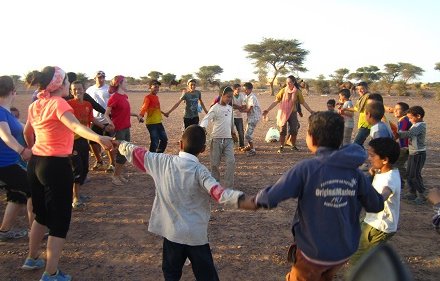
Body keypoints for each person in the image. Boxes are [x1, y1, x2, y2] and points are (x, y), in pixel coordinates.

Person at [252, 111, 384, 281]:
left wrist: (253, 199)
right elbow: (376, 205)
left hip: (313, 254)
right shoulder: (356, 173)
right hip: (343, 251)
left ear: (312, 139)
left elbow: (270, 198)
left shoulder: (307, 168)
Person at [114, 125, 254, 280]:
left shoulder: (161, 162)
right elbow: (219, 194)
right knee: (207, 276)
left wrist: (118, 143)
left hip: (172, 234)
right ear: (203, 149)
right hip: (195, 237)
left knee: (171, 274)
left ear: (180, 144)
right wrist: (248, 201)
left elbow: (136, 152)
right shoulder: (201, 172)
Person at [22, 66, 113, 281]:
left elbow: (28, 132)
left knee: (41, 215)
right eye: (65, 82)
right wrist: (99, 138)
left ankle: (32, 258)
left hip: (35, 163)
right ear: (59, 85)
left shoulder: (36, 104)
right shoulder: (59, 103)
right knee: (60, 221)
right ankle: (51, 273)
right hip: (55, 166)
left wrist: (32, 149)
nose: (67, 85)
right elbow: (75, 127)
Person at [350, 137, 401, 266]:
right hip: (375, 221)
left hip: (378, 225)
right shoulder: (389, 171)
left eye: (372, 156)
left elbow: (384, 194)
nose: (369, 158)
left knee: (357, 256)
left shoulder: (389, 181)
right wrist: (374, 174)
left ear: (385, 160)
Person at [0, 76, 33, 242]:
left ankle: (4, 231)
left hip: (8, 164)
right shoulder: (0, 112)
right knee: (34, 189)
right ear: (13, 91)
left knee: (17, 196)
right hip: (4, 165)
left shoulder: (7, 113)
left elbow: (25, 128)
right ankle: (36, 231)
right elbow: (5, 135)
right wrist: (22, 150)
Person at [67, 80, 107, 209]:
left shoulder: (88, 104)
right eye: (75, 89)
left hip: (84, 140)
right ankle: (75, 199)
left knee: (85, 168)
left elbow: (92, 120)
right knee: (77, 169)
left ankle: (77, 193)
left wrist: (105, 127)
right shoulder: (68, 105)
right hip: (72, 142)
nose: (78, 91)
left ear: (84, 90)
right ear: (71, 91)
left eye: (80, 89)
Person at [104, 75, 142, 186]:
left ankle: (118, 174)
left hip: (126, 128)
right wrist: (111, 123)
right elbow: (106, 114)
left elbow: (123, 112)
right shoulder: (114, 97)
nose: (127, 83)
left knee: (125, 152)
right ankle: (115, 176)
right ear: (119, 83)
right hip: (119, 129)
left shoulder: (124, 96)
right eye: (125, 82)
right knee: (121, 153)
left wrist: (136, 115)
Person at [262, 75, 314, 153]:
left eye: (290, 82)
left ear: (293, 82)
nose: (288, 84)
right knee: (282, 131)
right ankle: (282, 146)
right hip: (283, 113)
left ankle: (293, 146)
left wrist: (310, 111)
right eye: (287, 82)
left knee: (294, 130)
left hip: (293, 113)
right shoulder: (283, 91)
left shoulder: (297, 92)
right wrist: (268, 110)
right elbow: (276, 101)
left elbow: (303, 102)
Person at [200, 86, 235, 188]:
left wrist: (233, 133)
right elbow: (206, 119)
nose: (229, 99)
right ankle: (215, 185)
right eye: (228, 96)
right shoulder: (215, 108)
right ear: (221, 95)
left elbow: (231, 123)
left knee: (231, 162)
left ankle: (229, 186)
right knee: (215, 164)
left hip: (228, 140)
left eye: (231, 97)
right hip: (216, 140)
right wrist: (203, 128)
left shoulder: (230, 108)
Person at [86, 70, 115, 172]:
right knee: (93, 142)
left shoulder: (109, 90)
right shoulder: (89, 90)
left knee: (109, 142)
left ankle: (112, 163)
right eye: (99, 77)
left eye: (103, 77)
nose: (101, 79)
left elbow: (114, 103)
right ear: (95, 78)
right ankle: (99, 161)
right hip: (95, 120)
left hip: (107, 119)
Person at [397, 106, 426, 204]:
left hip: (418, 154)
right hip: (413, 153)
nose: (409, 120)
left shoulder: (420, 125)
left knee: (415, 175)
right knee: (410, 174)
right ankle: (412, 192)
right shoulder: (415, 124)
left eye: (410, 118)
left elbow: (409, 134)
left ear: (418, 116)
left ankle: (422, 195)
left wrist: (397, 133)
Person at [139, 80, 168, 153]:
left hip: (158, 122)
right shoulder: (148, 97)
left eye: (158, 87)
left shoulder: (156, 97)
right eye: (155, 87)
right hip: (151, 123)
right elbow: (144, 107)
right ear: (150, 87)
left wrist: (163, 113)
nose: (157, 89)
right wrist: (141, 116)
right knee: (155, 141)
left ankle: (158, 155)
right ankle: (151, 157)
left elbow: (156, 108)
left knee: (164, 139)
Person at [341, 81, 371, 146]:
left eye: (362, 89)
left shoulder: (368, 98)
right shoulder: (361, 99)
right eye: (358, 89)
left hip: (367, 124)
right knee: (359, 144)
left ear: (367, 88)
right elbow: (356, 108)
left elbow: (356, 110)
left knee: (356, 144)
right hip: (362, 124)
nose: (360, 91)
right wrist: (345, 109)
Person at [391, 102, 411, 190]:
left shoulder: (404, 121)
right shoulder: (403, 120)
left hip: (406, 147)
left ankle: (410, 178)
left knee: (397, 164)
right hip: (403, 146)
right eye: (394, 108)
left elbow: (400, 134)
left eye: (398, 109)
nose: (395, 110)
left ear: (405, 112)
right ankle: (402, 182)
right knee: (398, 164)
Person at [240, 82, 262, 156]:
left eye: (246, 90)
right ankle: (249, 146)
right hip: (250, 117)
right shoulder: (247, 96)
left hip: (254, 117)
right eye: (244, 90)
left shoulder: (252, 97)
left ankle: (252, 150)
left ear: (250, 89)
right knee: (247, 132)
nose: (244, 91)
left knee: (248, 135)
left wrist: (240, 110)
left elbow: (249, 109)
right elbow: (244, 105)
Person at [232, 83, 245, 149]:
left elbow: (244, 104)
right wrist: (240, 107)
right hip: (231, 116)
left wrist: (240, 107)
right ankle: (232, 144)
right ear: (234, 89)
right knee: (231, 131)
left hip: (239, 116)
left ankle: (242, 145)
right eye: (238, 89)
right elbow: (231, 105)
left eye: (240, 89)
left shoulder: (241, 95)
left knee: (241, 132)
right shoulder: (231, 96)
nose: (239, 91)